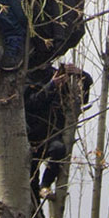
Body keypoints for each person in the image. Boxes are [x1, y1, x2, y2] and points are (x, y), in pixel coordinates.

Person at [24, 64, 92, 200]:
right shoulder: (26, 76)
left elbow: (81, 99)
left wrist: (82, 76)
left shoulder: (56, 74)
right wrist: (51, 86)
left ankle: (46, 184)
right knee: (30, 180)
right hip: (32, 135)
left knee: (59, 150)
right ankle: (37, 214)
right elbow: (31, 104)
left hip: (53, 132)